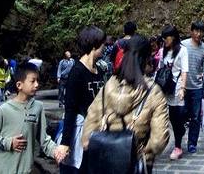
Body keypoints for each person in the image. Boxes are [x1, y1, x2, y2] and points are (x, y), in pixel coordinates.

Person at [82, 34, 169, 172]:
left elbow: (88, 132)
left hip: (104, 163)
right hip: (134, 164)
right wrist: (143, 155)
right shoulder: (153, 91)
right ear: (147, 58)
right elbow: (159, 140)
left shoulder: (108, 87)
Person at [0, 61, 64, 173]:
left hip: (25, 170)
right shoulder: (4, 109)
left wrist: (56, 151)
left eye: (37, 81)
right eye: (32, 81)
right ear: (19, 85)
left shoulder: (38, 107)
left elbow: (44, 140)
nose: (37, 85)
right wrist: (9, 143)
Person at [57, 25, 106, 172]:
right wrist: (65, 142)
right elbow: (70, 109)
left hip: (97, 132)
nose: (104, 48)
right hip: (80, 133)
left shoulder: (99, 70)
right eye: (102, 45)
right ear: (93, 46)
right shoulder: (77, 72)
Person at [157, 25, 188, 161]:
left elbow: (184, 71)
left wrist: (183, 88)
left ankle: (178, 146)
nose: (164, 40)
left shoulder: (182, 51)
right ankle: (178, 135)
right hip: (165, 88)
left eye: (166, 38)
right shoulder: (162, 50)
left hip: (177, 88)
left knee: (178, 116)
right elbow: (160, 69)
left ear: (173, 37)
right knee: (170, 117)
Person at [182, 20, 204, 154]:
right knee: (180, 114)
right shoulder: (183, 45)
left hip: (197, 88)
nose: (198, 34)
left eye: (201, 31)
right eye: (196, 31)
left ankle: (192, 143)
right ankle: (179, 137)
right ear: (191, 31)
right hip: (182, 87)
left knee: (195, 117)